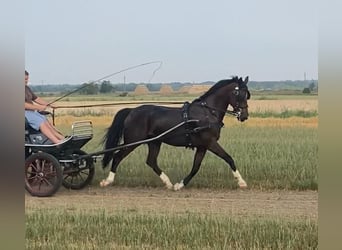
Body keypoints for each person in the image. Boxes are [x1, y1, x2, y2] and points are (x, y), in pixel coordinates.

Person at [25, 70, 65, 144]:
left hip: (31, 112)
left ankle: (61, 138)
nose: (26, 81)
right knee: (40, 122)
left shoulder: (26, 88)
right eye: (24, 79)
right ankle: (56, 142)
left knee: (45, 121)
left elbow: (36, 99)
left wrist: (49, 104)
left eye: (27, 79)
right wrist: (39, 107)